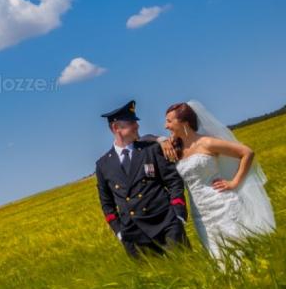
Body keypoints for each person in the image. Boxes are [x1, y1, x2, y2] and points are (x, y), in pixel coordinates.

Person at [163, 100, 276, 264]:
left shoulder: (207, 143)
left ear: (184, 122)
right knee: (218, 260)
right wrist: (162, 141)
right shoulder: (175, 148)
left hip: (222, 204)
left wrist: (234, 182)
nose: (166, 126)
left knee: (240, 256)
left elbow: (247, 152)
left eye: (169, 121)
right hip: (200, 213)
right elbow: (149, 140)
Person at [94, 100, 191, 259]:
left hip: (167, 225)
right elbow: (107, 204)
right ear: (116, 128)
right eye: (132, 122)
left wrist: (178, 215)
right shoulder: (103, 165)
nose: (137, 126)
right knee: (152, 282)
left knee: (188, 271)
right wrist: (119, 232)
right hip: (134, 236)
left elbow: (174, 182)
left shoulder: (151, 149)